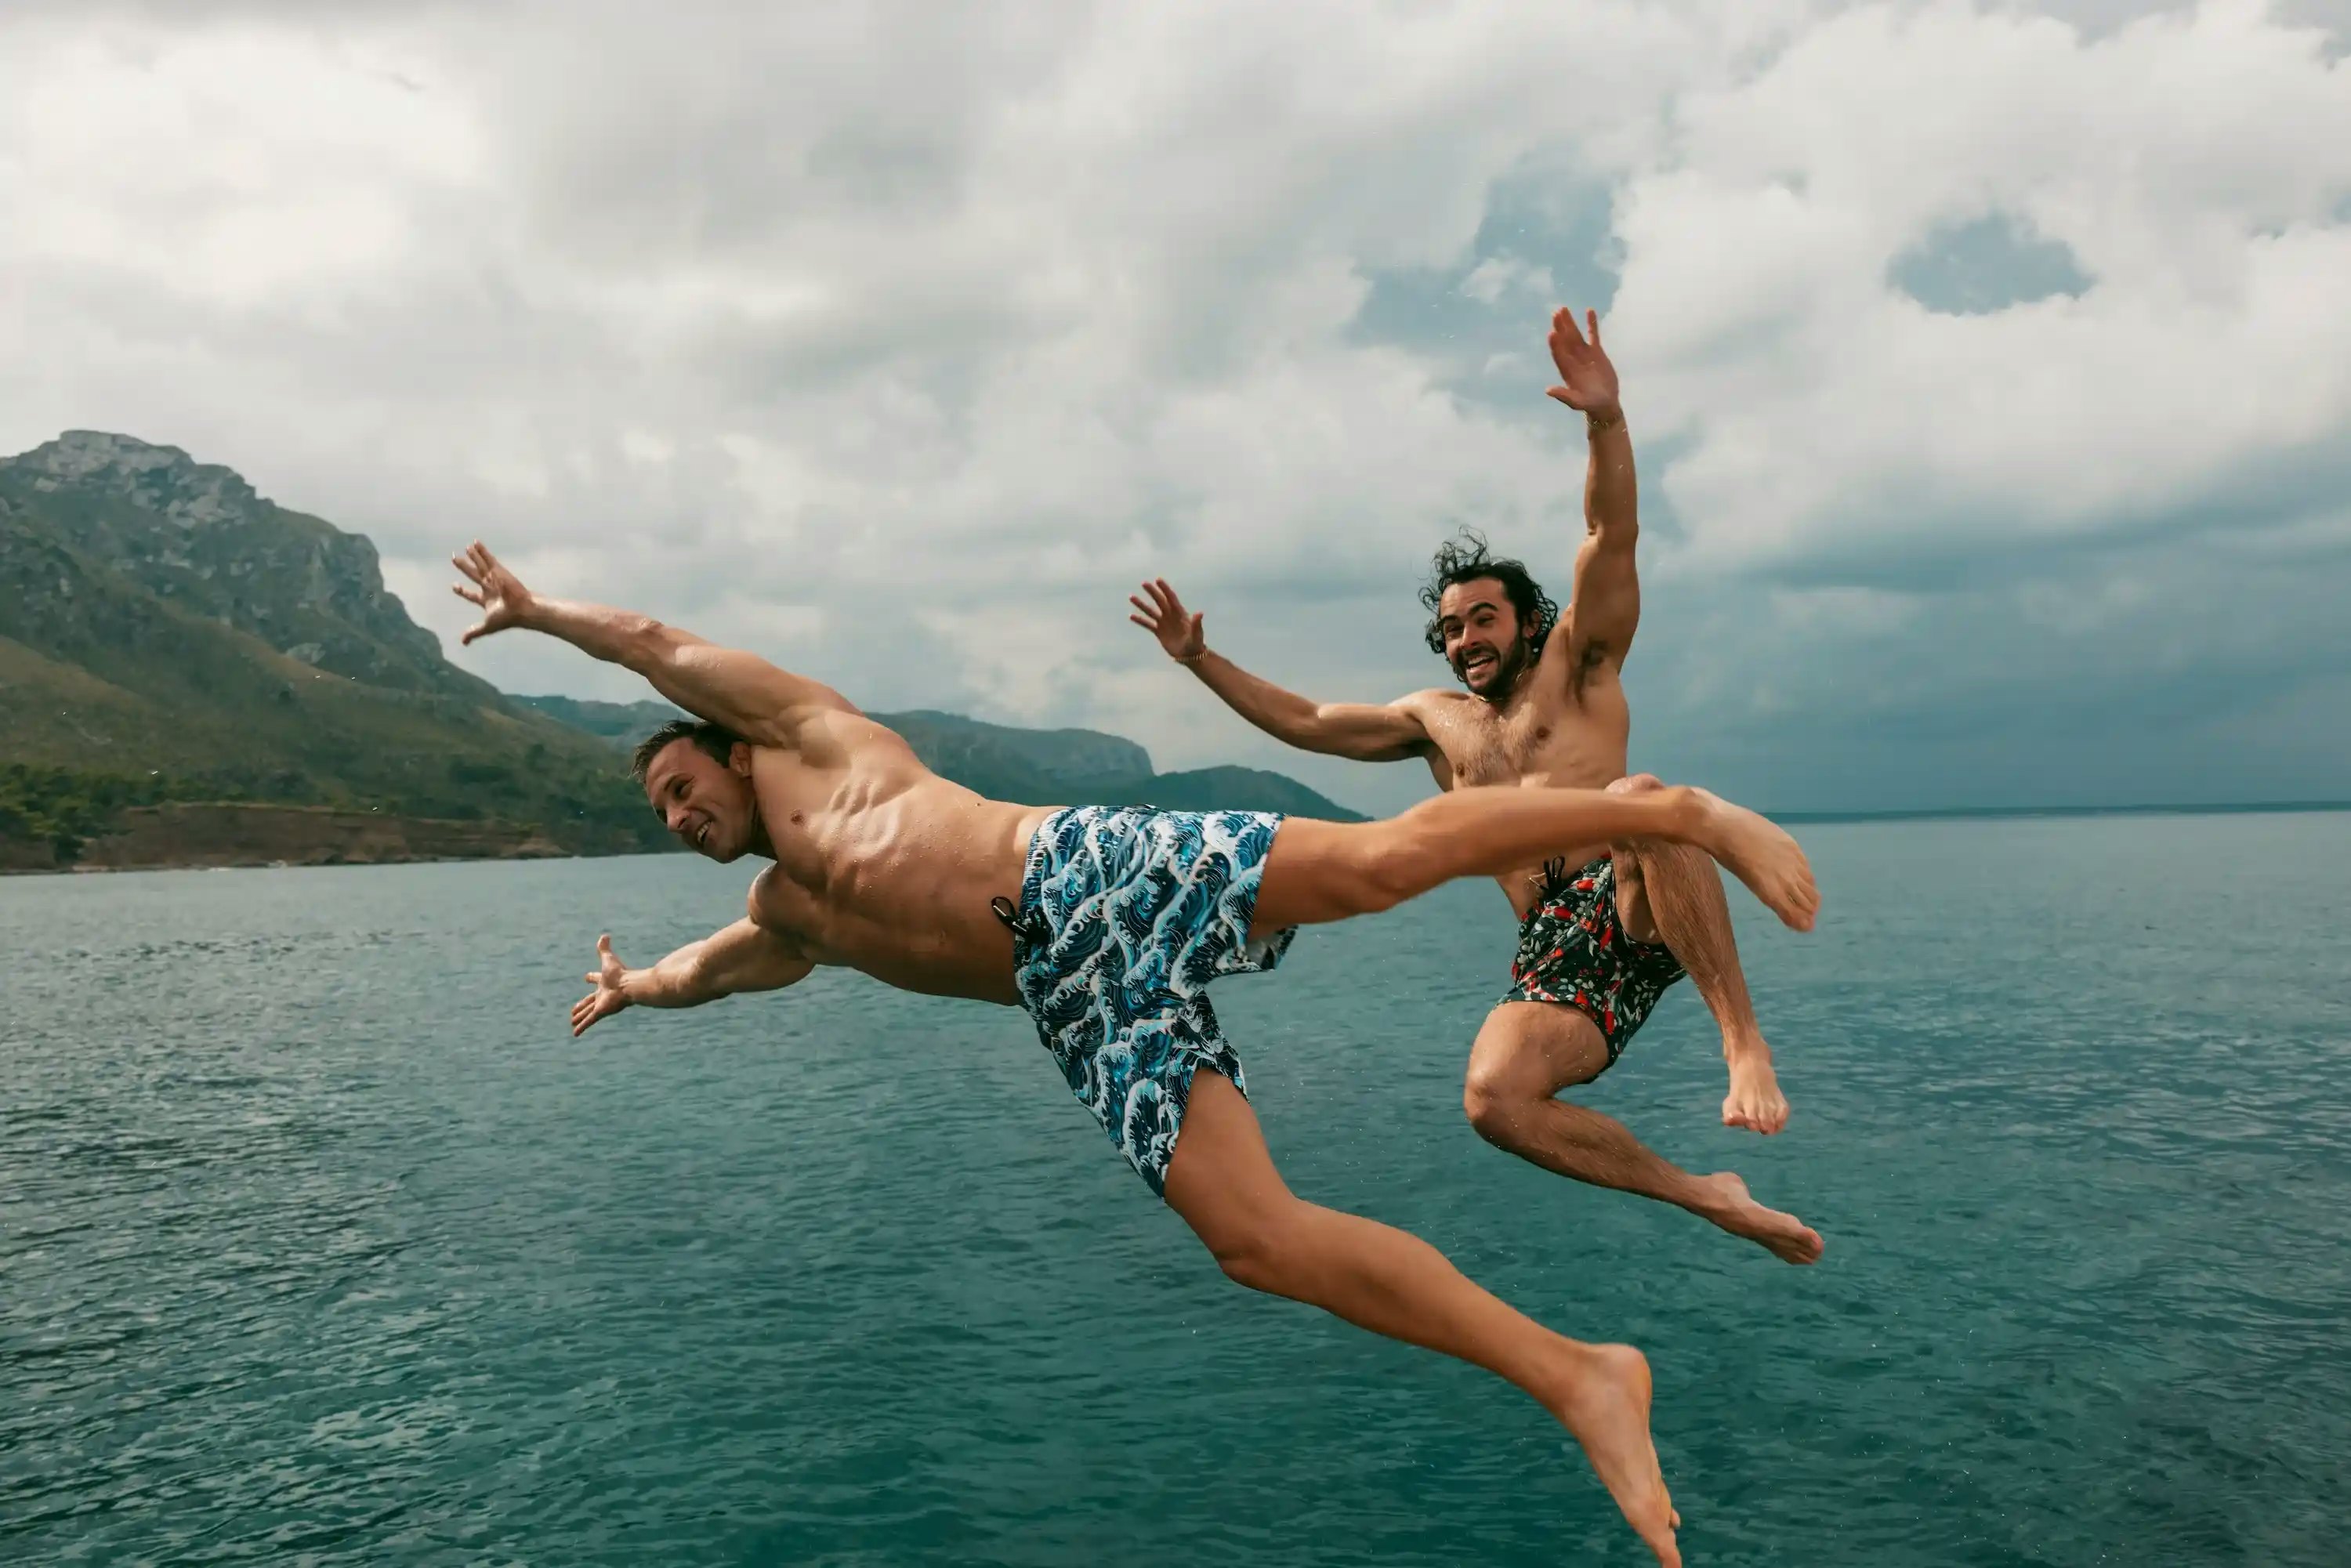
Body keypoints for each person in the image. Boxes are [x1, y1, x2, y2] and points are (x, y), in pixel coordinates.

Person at [450, 541, 1821, 1568]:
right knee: (1256, 1239)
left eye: (686, 787)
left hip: (1080, 870)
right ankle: (1583, 1374)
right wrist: (635, 990)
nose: (684, 815)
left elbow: (647, 639)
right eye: (665, 816)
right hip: (1078, 1001)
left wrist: (537, 612)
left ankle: (1682, 814)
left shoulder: (809, 738)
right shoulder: (786, 912)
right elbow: (714, 973)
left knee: (1374, 870)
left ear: (731, 757)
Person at [1129, 307, 1823, 1266]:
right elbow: (1308, 723)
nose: (1467, 641)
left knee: (1642, 802)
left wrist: (1605, 422)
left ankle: (1742, 1040)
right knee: (1493, 1102)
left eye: (1484, 619)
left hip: (1637, 900)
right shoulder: (1435, 724)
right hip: (1557, 952)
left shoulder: (1580, 663)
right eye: (1453, 629)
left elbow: (1607, 533)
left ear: (1528, 619)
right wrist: (1201, 660)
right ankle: (1708, 1195)